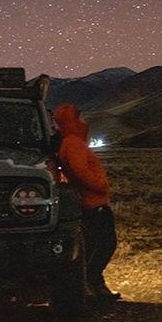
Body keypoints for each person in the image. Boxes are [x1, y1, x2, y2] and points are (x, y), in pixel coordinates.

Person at [49, 103, 118, 304]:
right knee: (106, 243)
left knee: (95, 244)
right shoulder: (73, 143)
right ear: (72, 121)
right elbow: (80, 171)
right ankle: (90, 282)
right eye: (80, 117)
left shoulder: (71, 142)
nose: (84, 121)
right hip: (93, 201)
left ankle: (93, 285)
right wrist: (101, 185)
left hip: (90, 200)